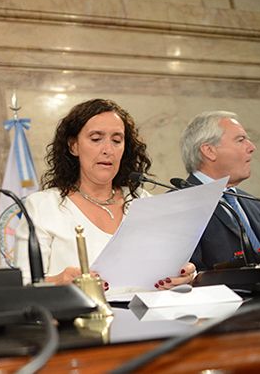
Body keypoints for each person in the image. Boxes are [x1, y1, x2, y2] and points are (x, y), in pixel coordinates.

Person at [14, 99, 196, 289]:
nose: (108, 150)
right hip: (79, 316)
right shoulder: (43, 206)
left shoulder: (141, 200)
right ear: (73, 146)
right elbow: (21, 286)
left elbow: (171, 265)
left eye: (117, 140)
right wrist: (59, 282)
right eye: (96, 139)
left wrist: (184, 274)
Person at [180, 111, 260, 270]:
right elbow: (187, 276)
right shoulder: (179, 205)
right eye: (241, 140)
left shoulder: (254, 204)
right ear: (209, 151)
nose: (251, 147)